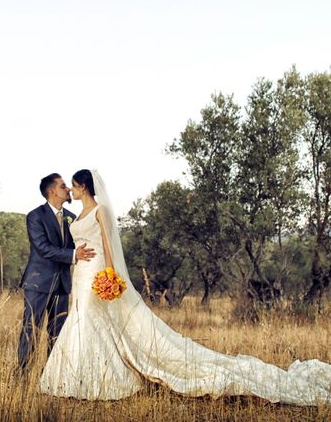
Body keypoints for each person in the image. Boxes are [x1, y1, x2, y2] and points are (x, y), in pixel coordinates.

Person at [39, 169, 331, 405]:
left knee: (91, 320)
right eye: (69, 187)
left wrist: (112, 273)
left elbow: (106, 242)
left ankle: (100, 380)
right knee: (84, 321)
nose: (71, 190)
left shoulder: (100, 210)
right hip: (80, 273)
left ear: (85, 187)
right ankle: (78, 376)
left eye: (74, 186)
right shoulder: (74, 215)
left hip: (98, 272)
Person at [17, 173, 96, 371]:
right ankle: (22, 375)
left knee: (58, 333)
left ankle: (51, 376)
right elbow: (43, 248)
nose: (68, 189)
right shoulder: (35, 216)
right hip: (38, 283)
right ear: (52, 191)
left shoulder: (71, 218)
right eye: (63, 186)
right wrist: (73, 255)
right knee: (31, 330)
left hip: (62, 284)